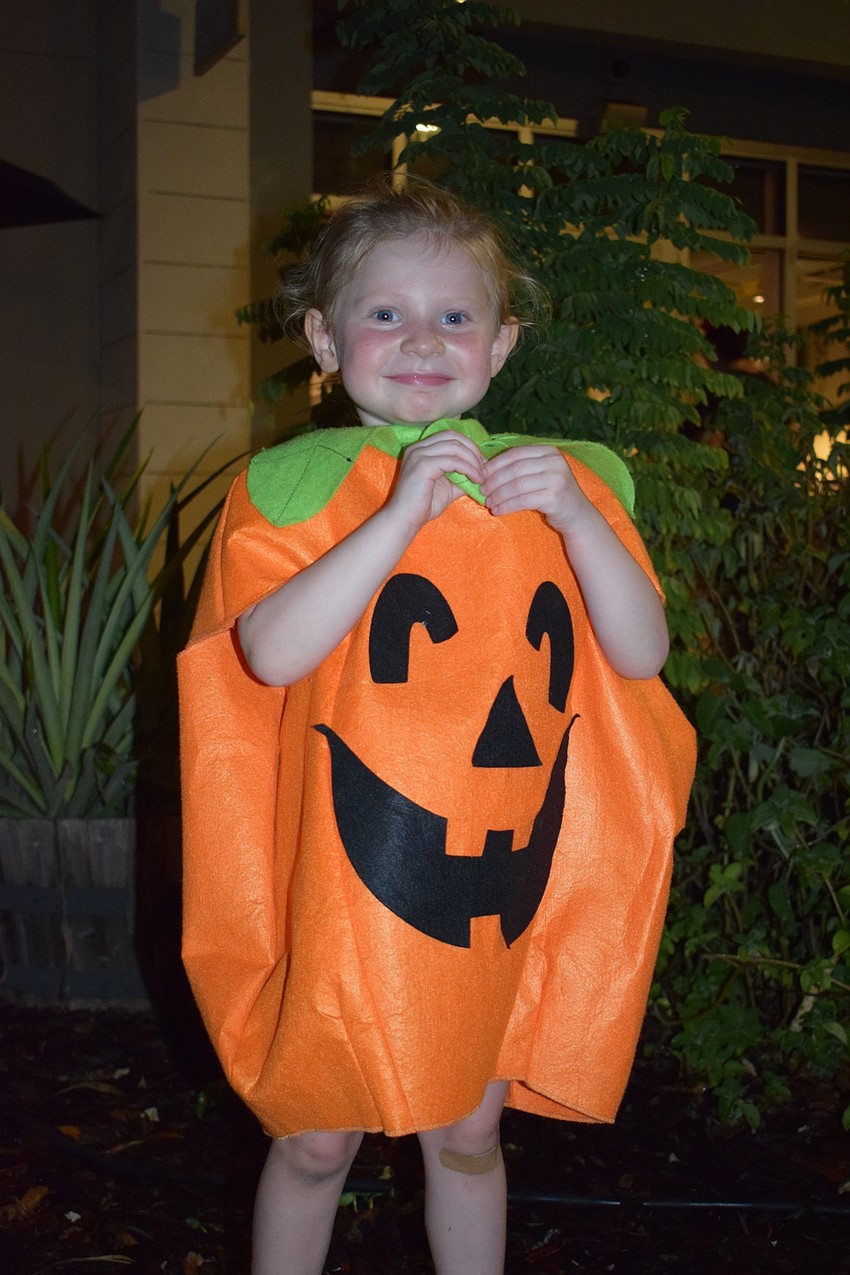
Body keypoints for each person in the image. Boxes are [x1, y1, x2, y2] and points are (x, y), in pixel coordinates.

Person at [179, 179, 696, 1275]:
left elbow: (639, 653)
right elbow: (269, 651)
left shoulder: (561, 486)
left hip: (492, 879)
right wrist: (400, 510)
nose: (423, 341)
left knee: (468, 1130)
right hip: (339, 876)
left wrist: (573, 516)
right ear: (323, 337)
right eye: (385, 314)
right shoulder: (290, 488)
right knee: (316, 1134)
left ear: (500, 345)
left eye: (455, 317)